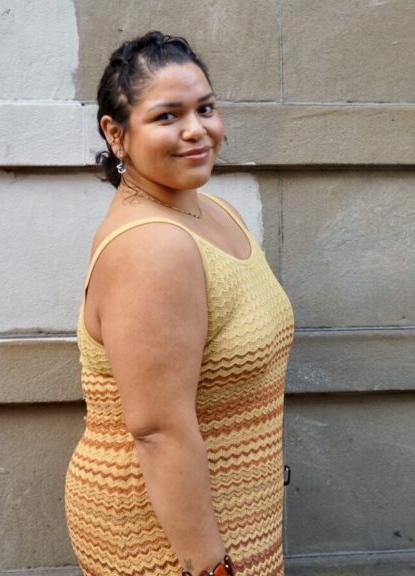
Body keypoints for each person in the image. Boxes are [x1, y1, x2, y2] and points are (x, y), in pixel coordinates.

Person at [64, 31, 295, 576]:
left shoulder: (213, 211)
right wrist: (212, 568)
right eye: (168, 116)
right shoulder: (151, 246)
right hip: (168, 542)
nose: (197, 131)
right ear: (116, 134)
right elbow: (158, 431)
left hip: (232, 521)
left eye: (206, 108)